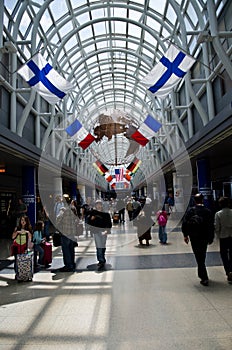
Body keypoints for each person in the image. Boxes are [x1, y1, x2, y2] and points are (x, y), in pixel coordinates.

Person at [182, 193, 214, 286]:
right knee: (202, 255)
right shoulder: (207, 211)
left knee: (198, 256)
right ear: (202, 200)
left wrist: (185, 235)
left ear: (195, 201)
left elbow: (185, 223)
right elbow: (210, 226)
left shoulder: (191, 211)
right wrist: (211, 237)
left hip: (194, 237)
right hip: (204, 237)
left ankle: (203, 276)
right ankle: (203, 274)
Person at [87, 199, 112, 270]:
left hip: (104, 232)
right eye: (97, 204)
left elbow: (109, 223)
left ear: (101, 205)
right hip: (96, 232)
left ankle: (102, 257)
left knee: (103, 245)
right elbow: (89, 222)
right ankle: (101, 260)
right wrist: (91, 219)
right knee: (99, 245)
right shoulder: (93, 213)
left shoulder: (106, 214)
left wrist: (106, 231)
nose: (98, 206)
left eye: (100, 204)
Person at [56, 200, 77, 272]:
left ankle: (68, 265)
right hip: (72, 233)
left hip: (65, 233)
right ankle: (72, 263)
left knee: (66, 250)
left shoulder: (63, 210)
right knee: (71, 249)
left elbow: (58, 219)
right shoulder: (73, 209)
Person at [214, 196, 232, 283]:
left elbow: (217, 227)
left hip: (223, 237)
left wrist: (218, 235)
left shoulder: (218, 214)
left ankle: (228, 271)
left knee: (224, 255)